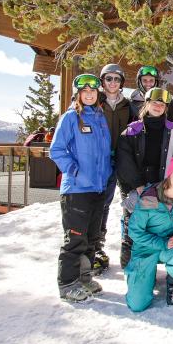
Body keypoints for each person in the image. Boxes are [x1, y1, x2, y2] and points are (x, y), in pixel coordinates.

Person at [49, 74, 112, 302]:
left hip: (97, 189)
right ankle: (67, 285)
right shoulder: (70, 118)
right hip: (76, 190)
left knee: (91, 238)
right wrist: (73, 170)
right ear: (78, 94)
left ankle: (84, 278)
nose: (89, 95)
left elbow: (103, 153)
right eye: (85, 92)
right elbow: (56, 150)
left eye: (93, 92)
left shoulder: (99, 117)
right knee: (75, 239)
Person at [124, 155, 173, 312]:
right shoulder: (151, 196)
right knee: (137, 305)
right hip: (146, 248)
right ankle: (144, 277)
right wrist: (162, 243)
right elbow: (134, 231)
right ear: (169, 173)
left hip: (172, 247)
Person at [116, 87, 173, 268]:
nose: (158, 106)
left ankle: (160, 264)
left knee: (158, 223)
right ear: (147, 104)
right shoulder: (132, 130)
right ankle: (131, 267)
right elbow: (123, 160)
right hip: (137, 186)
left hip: (162, 185)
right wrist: (137, 184)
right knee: (135, 225)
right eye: (154, 103)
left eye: (162, 104)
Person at [94, 63, 133, 274]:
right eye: (108, 79)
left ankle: (129, 244)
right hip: (101, 162)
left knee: (129, 202)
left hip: (123, 159)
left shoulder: (128, 105)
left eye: (116, 79)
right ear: (102, 81)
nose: (112, 83)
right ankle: (96, 247)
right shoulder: (94, 102)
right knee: (101, 203)